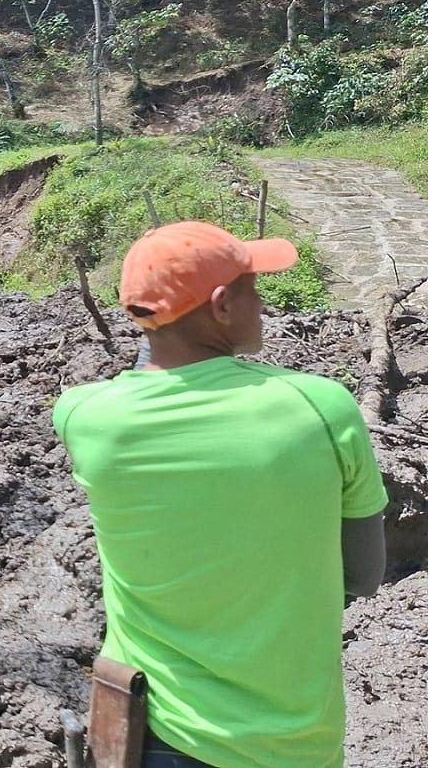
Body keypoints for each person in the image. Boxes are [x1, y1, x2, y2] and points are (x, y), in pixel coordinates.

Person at [53, 221, 388, 768]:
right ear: (221, 305)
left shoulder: (83, 416)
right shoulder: (321, 408)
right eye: (253, 288)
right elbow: (364, 576)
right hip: (289, 742)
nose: (262, 304)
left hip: (149, 733)